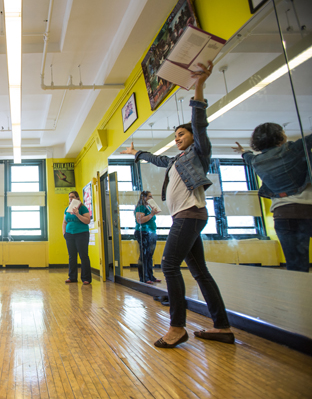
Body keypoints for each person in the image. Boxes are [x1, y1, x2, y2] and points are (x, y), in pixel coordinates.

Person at [121, 61, 233, 348]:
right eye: (175, 136)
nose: (177, 138)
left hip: (190, 216)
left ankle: (177, 327)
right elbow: (160, 160)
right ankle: (222, 327)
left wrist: (198, 85)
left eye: (181, 135)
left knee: (168, 265)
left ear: (193, 138)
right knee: (199, 272)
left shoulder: (198, 153)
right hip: (186, 217)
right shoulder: (174, 160)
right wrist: (138, 153)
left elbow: (199, 122)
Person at [233, 124, 312, 272]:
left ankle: (300, 295)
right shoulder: (292, 149)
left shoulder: (257, 161)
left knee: (296, 267)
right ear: (280, 136)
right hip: (307, 210)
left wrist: (242, 151)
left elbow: (248, 157)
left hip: (283, 216)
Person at [63, 190, 92, 285]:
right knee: (72, 256)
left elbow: (87, 221)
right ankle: (72, 277)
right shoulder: (67, 209)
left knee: (83, 256)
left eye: (72, 197)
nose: (70, 199)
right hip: (69, 235)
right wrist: (64, 233)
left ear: (77, 198)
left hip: (81, 234)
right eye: (69, 197)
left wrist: (77, 214)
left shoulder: (83, 208)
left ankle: (86, 278)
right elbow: (64, 222)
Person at [134, 191, 161, 284]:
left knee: (150, 255)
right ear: (143, 198)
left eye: (151, 196)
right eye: (149, 196)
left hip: (151, 232)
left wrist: (152, 213)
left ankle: (150, 276)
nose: (151, 198)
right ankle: (144, 278)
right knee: (144, 255)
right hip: (143, 232)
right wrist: (151, 214)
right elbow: (140, 220)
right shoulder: (141, 207)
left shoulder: (148, 207)